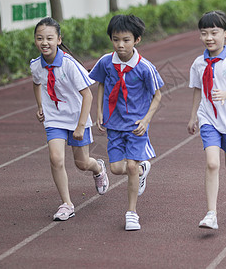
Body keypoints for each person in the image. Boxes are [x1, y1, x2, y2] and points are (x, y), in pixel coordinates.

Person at [89, 14, 164, 231]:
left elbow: (157, 95)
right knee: (115, 169)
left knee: (130, 166)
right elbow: (101, 83)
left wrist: (146, 120)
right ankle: (142, 170)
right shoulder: (105, 62)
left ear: (137, 40)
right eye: (116, 39)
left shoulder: (144, 67)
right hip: (114, 123)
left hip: (136, 126)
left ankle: (131, 213)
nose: (120, 45)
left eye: (126, 40)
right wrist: (99, 112)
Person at [30, 17, 109, 221]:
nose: (44, 42)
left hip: (76, 118)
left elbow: (88, 95)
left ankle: (98, 168)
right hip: (54, 119)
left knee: (82, 163)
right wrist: (40, 106)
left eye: (49, 38)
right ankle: (66, 204)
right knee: (56, 158)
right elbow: (37, 83)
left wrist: (81, 126)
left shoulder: (69, 64)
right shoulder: (36, 65)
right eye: (40, 38)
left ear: (58, 39)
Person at [187, 10, 226, 230]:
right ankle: (211, 213)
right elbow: (197, 90)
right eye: (204, 33)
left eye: (214, 32)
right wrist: (193, 115)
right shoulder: (198, 63)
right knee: (212, 163)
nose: (209, 38)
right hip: (208, 119)